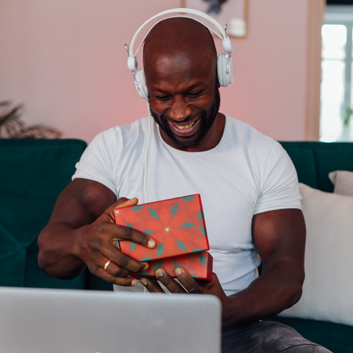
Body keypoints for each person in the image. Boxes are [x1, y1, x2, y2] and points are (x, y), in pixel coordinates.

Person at [38, 10, 331, 353]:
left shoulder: (264, 156)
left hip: (235, 329)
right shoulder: (114, 149)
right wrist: (81, 242)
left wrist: (222, 312)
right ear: (144, 88)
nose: (179, 113)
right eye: (162, 97)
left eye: (194, 93)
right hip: (136, 333)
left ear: (221, 75)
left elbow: (287, 273)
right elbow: (49, 254)